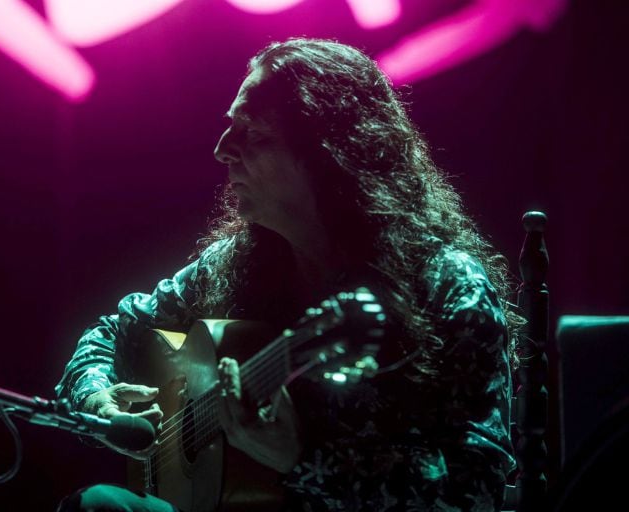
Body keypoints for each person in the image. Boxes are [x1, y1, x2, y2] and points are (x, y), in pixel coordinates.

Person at [55, 37, 521, 512]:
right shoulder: (235, 260)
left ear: (333, 154)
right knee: (98, 506)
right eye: (229, 128)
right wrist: (96, 400)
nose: (221, 151)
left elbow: (475, 491)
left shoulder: (447, 286)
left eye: (254, 135)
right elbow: (113, 333)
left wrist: (305, 462)